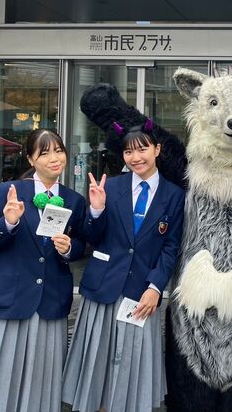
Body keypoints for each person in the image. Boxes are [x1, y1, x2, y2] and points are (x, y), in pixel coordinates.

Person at [0, 128, 87, 412]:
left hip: (50, 301)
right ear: (31, 159)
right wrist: (7, 223)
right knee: (1, 375)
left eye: (58, 151)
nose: (54, 158)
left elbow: (82, 247)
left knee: (43, 377)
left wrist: (69, 248)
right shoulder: (8, 192)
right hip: (10, 299)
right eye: (44, 153)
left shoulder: (74, 200)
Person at [62, 126, 185, 412]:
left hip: (141, 294)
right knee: (97, 367)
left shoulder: (175, 196)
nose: (135, 157)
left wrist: (156, 288)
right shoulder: (111, 187)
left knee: (131, 368)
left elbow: (171, 247)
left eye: (142, 149)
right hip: (103, 287)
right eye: (129, 151)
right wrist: (96, 210)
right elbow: (92, 237)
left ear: (157, 150)